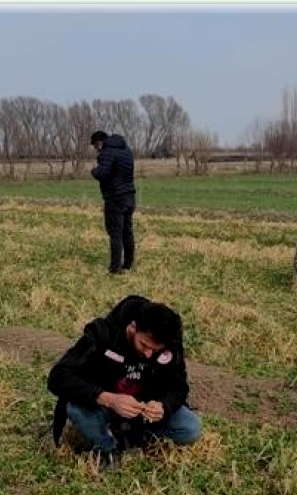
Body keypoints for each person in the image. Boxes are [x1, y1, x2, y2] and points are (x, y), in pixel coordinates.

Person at [48, 295, 201, 471]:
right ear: (133, 327)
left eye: (155, 350)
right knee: (76, 410)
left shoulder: (169, 343)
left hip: (143, 411)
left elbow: (179, 386)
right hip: (102, 405)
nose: (149, 354)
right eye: (144, 345)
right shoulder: (102, 334)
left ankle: (130, 435)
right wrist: (108, 399)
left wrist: (163, 406)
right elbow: (58, 377)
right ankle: (107, 446)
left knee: (190, 429)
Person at [90, 130, 137, 275]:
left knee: (115, 232)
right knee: (127, 231)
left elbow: (104, 173)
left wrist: (94, 171)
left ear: (99, 143)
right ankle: (128, 264)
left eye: (95, 146)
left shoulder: (107, 152)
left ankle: (115, 268)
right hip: (130, 195)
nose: (96, 150)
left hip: (115, 197)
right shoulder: (127, 151)